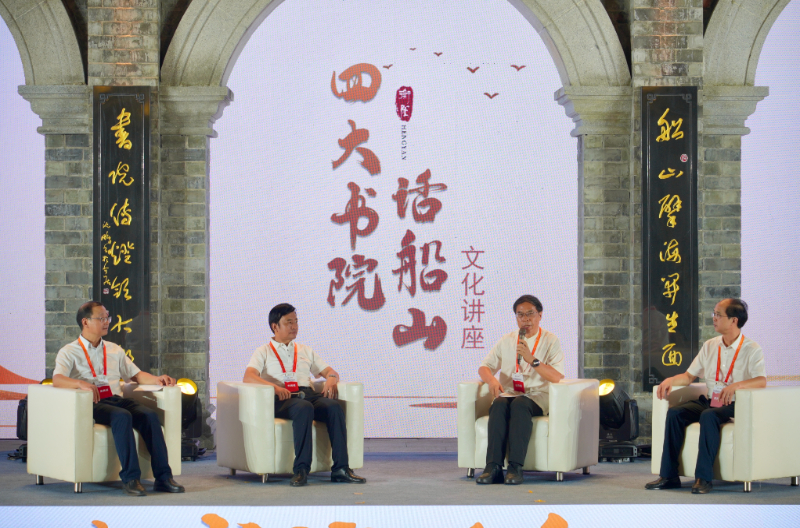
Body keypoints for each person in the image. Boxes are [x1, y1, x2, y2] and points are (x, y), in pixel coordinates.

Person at [53, 301, 185, 496]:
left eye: (108, 317)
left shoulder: (114, 349)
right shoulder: (69, 351)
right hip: (91, 402)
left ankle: (164, 478)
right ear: (85, 322)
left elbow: (136, 375)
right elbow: (57, 379)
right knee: (122, 416)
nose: (107, 322)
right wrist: (80, 383)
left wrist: (158, 379)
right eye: (101, 318)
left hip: (115, 398)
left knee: (149, 416)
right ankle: (131, 479)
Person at [645, 298, 766, 494]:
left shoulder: (751, 349)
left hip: (736, 404)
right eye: (714, 314)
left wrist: (736, 386)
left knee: (708, 416)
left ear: (734, 320)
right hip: (712, 401)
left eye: (718, 314)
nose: (714, 318)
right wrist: (670, 380)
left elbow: (761, 381)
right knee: (675, 413)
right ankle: (669, 476)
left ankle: (703, 478)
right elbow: (688, 376)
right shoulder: (710, 345)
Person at [243, 303, 366, 486]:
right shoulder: (263, 351)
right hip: (282, 398)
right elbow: (249, 376)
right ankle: (301, 469)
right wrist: (275, 388)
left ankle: (341, 469)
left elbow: (330, 372)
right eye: (289, 322)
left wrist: (332, 379)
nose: (294, 326)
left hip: (307, 394)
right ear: (275, 326)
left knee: (334, 406)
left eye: (296, 322)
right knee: (303, 407)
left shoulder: (305, 350)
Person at [476, 294, 565, 485]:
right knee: (499, 404)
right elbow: (484, 367)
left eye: (530, 314)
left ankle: (515, 468)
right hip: (511, 393)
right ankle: (493, 467)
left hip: (538, 395)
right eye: (520, 315)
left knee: (520, 404)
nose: (525, 319)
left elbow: (556, 377)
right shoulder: (507, 340)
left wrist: (532, 359)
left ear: (540, 315)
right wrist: (491, 380)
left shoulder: (550, 340)